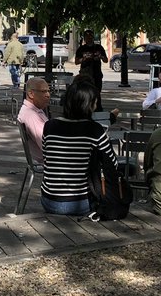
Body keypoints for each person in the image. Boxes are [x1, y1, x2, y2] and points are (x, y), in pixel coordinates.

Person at [40, 76, 117, 216]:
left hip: (48, 200)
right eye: (94, 102)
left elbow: (46, 158)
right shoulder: (94, 129)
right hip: (79, 203)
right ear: (89, 104)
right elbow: (112, 164)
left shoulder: (49, 126)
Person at [17, 77, 52, 164]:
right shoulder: (31, 115)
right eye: (44, 91)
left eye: (48, 91)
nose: (48, 95)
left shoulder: (33, 110)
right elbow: (47, 145)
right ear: (31, 94)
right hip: (49, 160)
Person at [73, 29, 109, 110]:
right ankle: (86, 108)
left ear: (93, 37)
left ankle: (98, 108)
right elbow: (76, 62)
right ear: (85, 38)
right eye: (87, 37)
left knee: (97, 92)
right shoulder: (81, 49)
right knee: (85, 92)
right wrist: (84, 58)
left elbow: (106, 60)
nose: (89, 38)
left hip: (97, 74)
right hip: (85, 75)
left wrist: (100, 56)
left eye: (91, 36)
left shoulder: (99, 47)